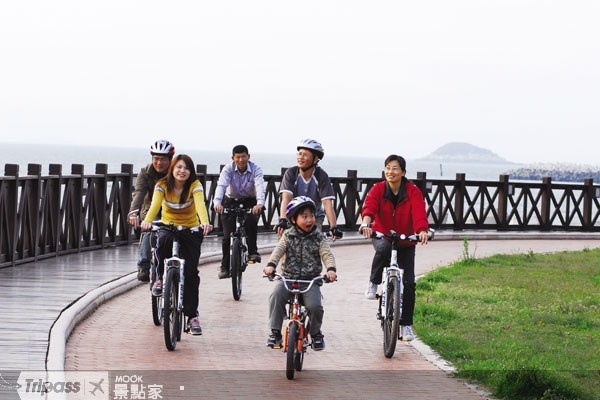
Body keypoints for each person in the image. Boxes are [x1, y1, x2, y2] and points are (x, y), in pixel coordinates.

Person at [359, 154, 429, 342]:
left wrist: (422, 230)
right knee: (382, 250)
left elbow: (419, 213)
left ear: (403, 172)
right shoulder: (378, 189)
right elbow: (369, 208)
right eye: (388, 167)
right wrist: (366, 224)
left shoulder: (413, 191)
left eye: (395, 168)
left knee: (409, 284)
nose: (391, 171)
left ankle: (406, 326)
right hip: (383, 234)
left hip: (406, 240)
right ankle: (373, 283)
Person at [141, 154, 213, 336]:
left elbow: (200, 205)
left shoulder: (195, 186)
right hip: (168, 226)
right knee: (161, 242)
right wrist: (147, 221)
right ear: (172, 169)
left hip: (190, 229)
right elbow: (154, 206)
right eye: (179, 167)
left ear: (191, 172)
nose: (182, 171)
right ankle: (158, 279)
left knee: (190, 273)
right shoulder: (162, 185)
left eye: (186, 168)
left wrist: (204, 222)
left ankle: (192, 317)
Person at [263, 196, 337, 351]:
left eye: (312, 216)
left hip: (310, 280)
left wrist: (331, 269)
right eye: (304, 217)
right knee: (276, 295)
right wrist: (271, 265)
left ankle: (316, 334)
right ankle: (275, 332)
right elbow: (278, 250)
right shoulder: (288, 236)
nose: (310, 220)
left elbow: (326, 254)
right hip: (288, 278)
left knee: (315, 306)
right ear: (293, 219)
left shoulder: (319, 237)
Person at [213, 145, 266, 279]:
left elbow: (260, 186)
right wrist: (217, 203)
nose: (241, 160)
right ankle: (225, 266)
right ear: (233, 158)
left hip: (250, 201)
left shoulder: (256, 169)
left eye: (243, 156)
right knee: (226, 236)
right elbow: (221, 185)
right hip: (230, 200)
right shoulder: (228, 169)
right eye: (238, 157)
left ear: (249, 156)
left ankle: (253, 251)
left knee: (251, 222)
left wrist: (260, 203)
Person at [275, 139, 343, 241]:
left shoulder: (321, 176)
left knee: (315, 245)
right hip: (292, 216)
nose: (300, 157)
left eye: (305, 155)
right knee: (284, 245)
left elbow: (327, 203)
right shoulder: (291, 173)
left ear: (315, 159)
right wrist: (283, 219)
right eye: (299, 154)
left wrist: (333, 227)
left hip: (314, 217)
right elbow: (286, 198)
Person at [127, 139, 175, 282]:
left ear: (170, 159)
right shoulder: (145, 172)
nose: (159, 163)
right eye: (156, 159)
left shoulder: (177, 172)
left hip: (172, 210)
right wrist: (133, 212)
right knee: (149, 227)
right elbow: (139, 193)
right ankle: (144, 265)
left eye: (163, 159)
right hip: (150, 210)